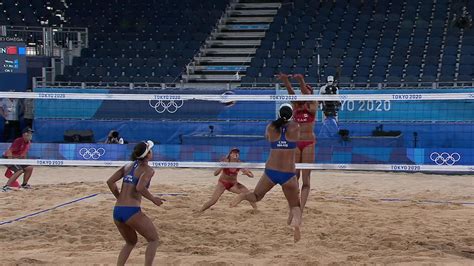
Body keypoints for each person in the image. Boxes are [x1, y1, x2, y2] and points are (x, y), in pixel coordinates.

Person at [230, 104, 302, 242]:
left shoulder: (270, 127)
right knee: (295, 206)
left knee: (256, 196)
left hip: (271, 171)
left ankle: (244, 196)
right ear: (291, 115)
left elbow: (267, 138)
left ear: (278, 113)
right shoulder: (295, 127)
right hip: (288, 174)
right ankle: (296, 226)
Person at [106, 140, 164, 266]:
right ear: (147, 155)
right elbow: (140, 188)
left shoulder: (128, 166)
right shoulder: (148, 170)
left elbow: (110, 182)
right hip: (131, 211)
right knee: (153, 239)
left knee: (130, 242)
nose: (152, 152)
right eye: (150, 150)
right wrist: (154, 199)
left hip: (117, 211)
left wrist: (119, 197)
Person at [276, 73, 317, 216]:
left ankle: (301, 209)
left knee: (306, 179)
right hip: (296, 142)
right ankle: (293, 206)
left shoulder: (313, 104)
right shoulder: (296, 104)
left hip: (309, 143)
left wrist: (301, 80)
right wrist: (286, 80)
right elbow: (290, 91)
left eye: (306, 90)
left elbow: (305, 93)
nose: (304, 92)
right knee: (294, 178)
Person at [199, 147, 256, 213]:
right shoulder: (226, 161)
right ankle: (200, 210)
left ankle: (256, 209)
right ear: (230, 154)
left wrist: (248, 174)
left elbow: (252, 176)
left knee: (248, 194)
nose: (235, 154)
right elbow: (215, 174)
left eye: (237, 153)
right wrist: (222, 166)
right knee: (213, 200)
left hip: (233, 184)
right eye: (234, 152)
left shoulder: (239, 163)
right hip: (222, 183)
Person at [2, 127, 35, 192]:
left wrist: (24, 163)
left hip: (17, 159)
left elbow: (23, 154)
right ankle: (6, 187)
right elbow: (9, 151)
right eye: (29, 133)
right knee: (19, 170)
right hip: (8, 157)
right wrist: (10, 162)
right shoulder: (19, 140)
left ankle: (24, 184)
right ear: (24, 134)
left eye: (31, 133)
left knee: (30, 167)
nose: (31, 135)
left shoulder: (28, 142)